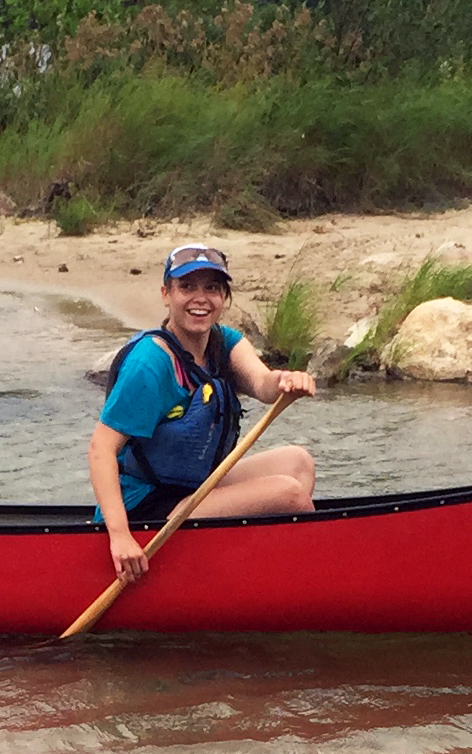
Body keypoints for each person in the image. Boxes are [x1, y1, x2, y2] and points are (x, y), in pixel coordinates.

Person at [90, 242, 317, 582]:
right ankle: (301, 574)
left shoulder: (223, 342)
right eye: (187, 286)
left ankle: (251, 566)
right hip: (149, 507)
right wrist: (120, 536)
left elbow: (263, 384)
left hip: (191, 488)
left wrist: (285, 382)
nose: (201, 298)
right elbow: (101, 449)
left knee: (298, 462)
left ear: (223, 298)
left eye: (212, 288)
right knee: (289, 494)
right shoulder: (150, 364)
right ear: (166, 293)